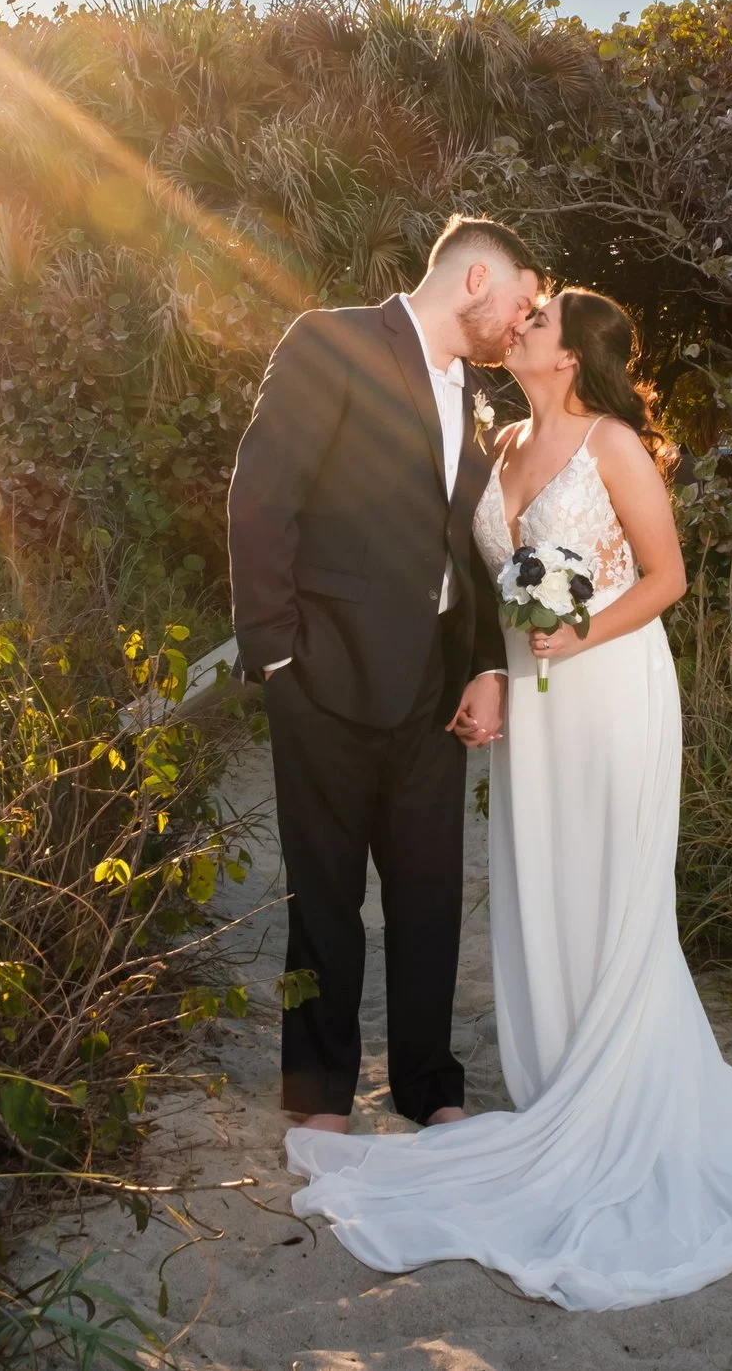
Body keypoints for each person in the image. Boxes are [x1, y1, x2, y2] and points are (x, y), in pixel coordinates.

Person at [283, 285, 732, 1311]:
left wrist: (577, 637)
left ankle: (621, 1090)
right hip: (535, 703)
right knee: (544, 882)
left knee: (613, 888)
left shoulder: (611, 444)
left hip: (608, 688)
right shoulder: (501, 436)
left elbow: (666, 577)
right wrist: (490, 669)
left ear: (572, 357)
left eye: (539, 322)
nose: (520, 326)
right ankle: (563, 1076)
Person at [226, 214, 542, 1132]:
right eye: (519, 302)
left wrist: (484, 664)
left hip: (433, 691)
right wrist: (277, 654)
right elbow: (261, 495)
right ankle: (317, 1096)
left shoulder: (467, 396)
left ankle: (428, 1086)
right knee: (321, 899)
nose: (520, 323)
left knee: (430, 898)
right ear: (476, 279)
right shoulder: (330, 340)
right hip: (323, 678)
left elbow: (466, 548)